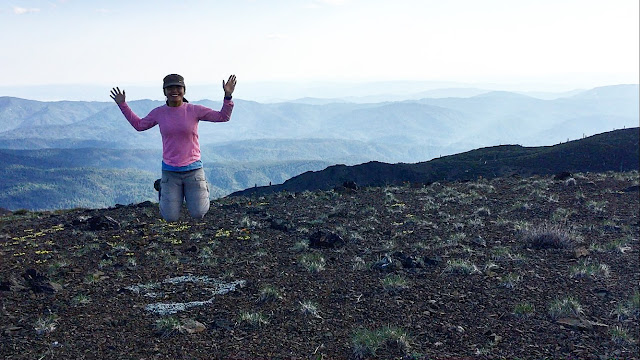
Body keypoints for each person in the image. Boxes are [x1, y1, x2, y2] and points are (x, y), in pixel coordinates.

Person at [110, 74, 237, 221]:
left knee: (199, 213)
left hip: (193, 169)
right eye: (170, 88)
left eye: (178, 87)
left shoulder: (194, 110)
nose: (174, 91)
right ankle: (163, 188)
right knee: (170, 218)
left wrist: (228, 96)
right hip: (170, 171)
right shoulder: (159, 112)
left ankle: (202, 186)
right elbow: (139, 125)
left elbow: (223, 117)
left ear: (184, 90)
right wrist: (122, 104)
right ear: (165, 92)